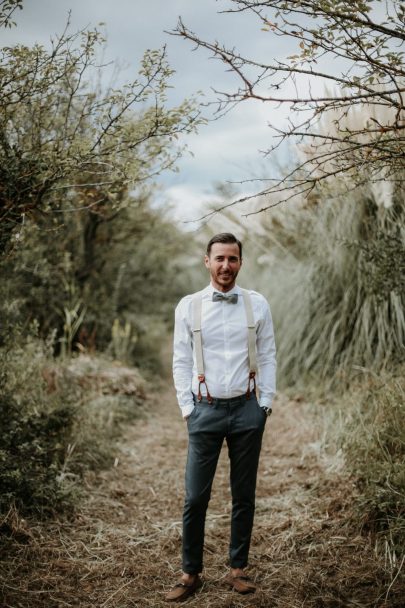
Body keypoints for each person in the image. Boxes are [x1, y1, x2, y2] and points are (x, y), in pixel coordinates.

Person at [166, 232, 276, 602]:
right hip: (205, 411)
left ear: (240, 262)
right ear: (207, 261)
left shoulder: (257, 304)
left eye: (232, 259)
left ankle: (238, 569)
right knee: (196, 497)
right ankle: (189, 572)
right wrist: (187, 407)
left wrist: (265, 404)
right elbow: (180, 360)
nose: (226, 266)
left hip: (247, 409)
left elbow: (269, 353)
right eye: (219, 259)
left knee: (243, 495)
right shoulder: (189, 306)